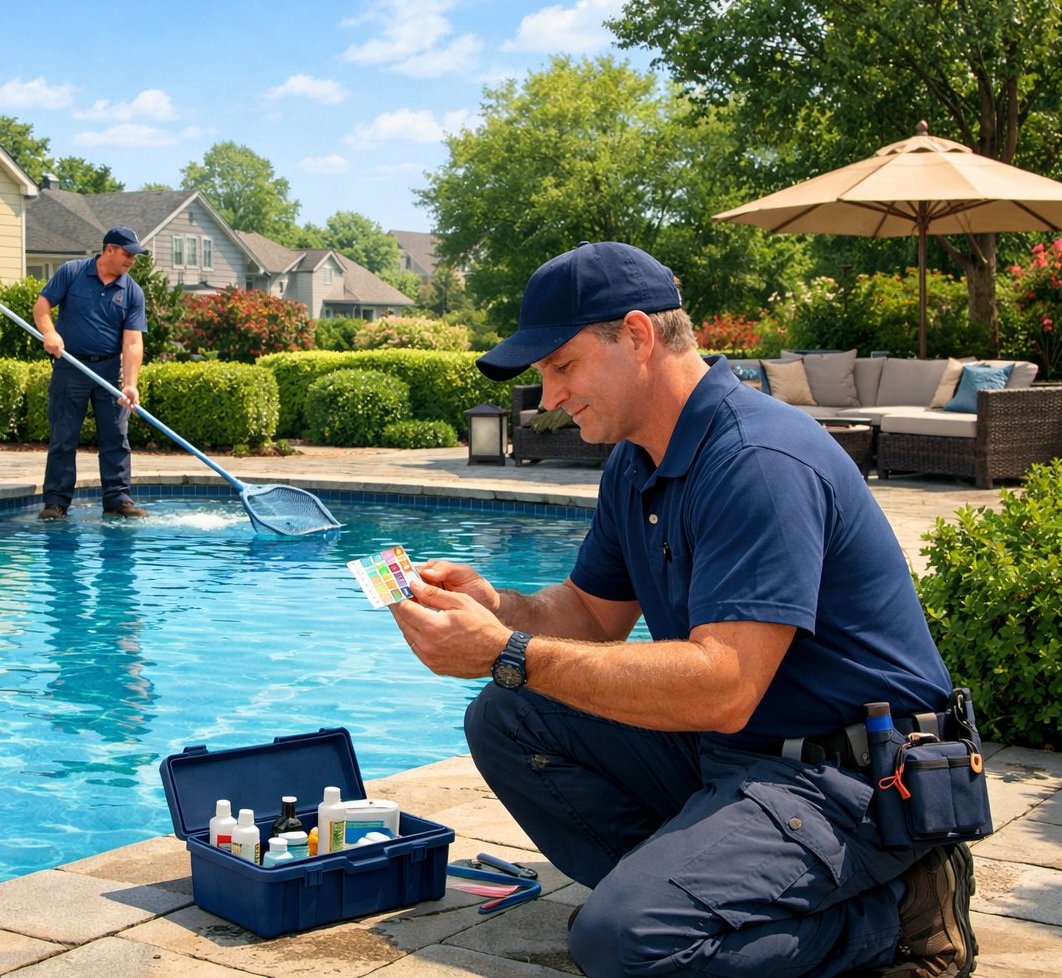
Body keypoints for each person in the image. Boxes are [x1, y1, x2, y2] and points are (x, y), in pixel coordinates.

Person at [387, 241, 976, 978]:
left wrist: (507, 653)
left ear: (636, 336)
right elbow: (590, 616)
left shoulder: (758, 461)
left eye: (561, 366)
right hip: (738, 757)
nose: (548, 399)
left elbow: (724, 687)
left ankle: (899, 918)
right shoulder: (639, 460)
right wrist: (497, 607)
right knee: (510, 717)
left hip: (849, 782)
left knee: (623, 944)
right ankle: (691, 893)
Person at [32, 226, 149, 520]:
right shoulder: (72, 272)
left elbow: (133, 341)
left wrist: (131, 385)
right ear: (109, 249)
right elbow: (42, 306)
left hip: (109, 372)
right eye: (127, 254)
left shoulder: (132, 290)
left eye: (135, 256)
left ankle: (117, 500)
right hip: (70, 367)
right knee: (64, 435)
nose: (131, 261)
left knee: (116, 437)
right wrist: (50, 333)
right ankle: (56, 502)